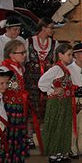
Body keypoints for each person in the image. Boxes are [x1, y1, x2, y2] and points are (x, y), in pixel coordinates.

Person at [0, 40, 31, 163]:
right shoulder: (4, 69)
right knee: (7, 137)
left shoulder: (18, 68)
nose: (24, 55)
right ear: (11, 54)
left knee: (16, 137)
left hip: (19, 107)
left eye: (25, 52)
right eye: (21, 52)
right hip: (9, 108)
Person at [38, 43, 75, 163]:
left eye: (71, 55)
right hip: (57, 103)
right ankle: (53, 154)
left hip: (64, 102)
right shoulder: (56, 68)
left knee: (63, 126)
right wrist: (52, 90)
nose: (71, 57)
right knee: (56, 126)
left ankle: (60, 152)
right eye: (69, 55)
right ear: (60, 55)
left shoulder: (64, 69)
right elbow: (42, 83)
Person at [24, 17, 57, 147]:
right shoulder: (29, 41)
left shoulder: (54, 44)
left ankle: (44, 136)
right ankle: (29, 137)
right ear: (43, 28)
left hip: (47, 82)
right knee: (32, 108)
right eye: (51, 28)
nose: (53, 30)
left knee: (46, 108)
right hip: (31, 80)